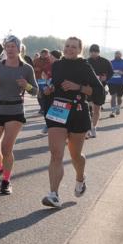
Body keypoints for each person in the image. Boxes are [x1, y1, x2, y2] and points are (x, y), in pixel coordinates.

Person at [40, 36, 104, 208]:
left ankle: (80, 178)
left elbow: (99, 93)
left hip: (77, 113)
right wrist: (49, 90)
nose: (69, 49)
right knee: (56, 154)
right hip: (57, 112)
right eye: (67, 46)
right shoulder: (57, 65)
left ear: (79, 50)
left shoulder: (85, 67)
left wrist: (79, 87)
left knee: (75, 155)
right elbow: (54, 85)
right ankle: (53, 194)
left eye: (74, 47)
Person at [0, 35, 38, 194]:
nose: (10, 49)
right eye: (7, 46)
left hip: (15, 111)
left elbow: (35, 91)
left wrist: (26, 85)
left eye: (13, 46)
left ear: (19, 48)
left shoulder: (26, 68)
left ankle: (6, 181)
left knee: (6, 148)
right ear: (4, 49)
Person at [86, 44, 112, 138]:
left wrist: (106, 78)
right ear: (90, 52)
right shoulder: (86, 61)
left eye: (95, 52)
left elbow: (111, 73)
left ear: (98, 52)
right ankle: (87, 128)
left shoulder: (105, 61)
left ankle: (93, 127)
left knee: (97, 109)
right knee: (88, 110)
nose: (94, 54)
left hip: (100, 88)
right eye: (92, 52)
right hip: (88, 88)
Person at [107, 50, 123, 117]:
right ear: (114, 55)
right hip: (112, 82)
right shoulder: (110, 62)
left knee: (119, 97)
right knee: (113, 96)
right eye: (116, 54)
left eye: (119, 54)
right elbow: (106, 71)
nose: (117, 55)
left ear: (121, 55)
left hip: (122, 82)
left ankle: (118, 107)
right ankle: (113, 111)